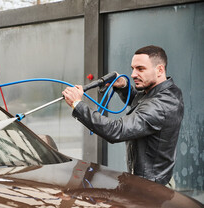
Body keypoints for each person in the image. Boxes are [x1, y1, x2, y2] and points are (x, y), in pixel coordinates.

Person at [62, 45, 184, 185]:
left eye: (140, 69)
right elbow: (141, 105)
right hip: (146, 182)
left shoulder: (162, 105)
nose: (133, 74)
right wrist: (124, 86)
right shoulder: (166, 90)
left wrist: (77, 105)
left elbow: (117, 130)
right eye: (133, 68)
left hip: (151, 189)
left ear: (160, 70)